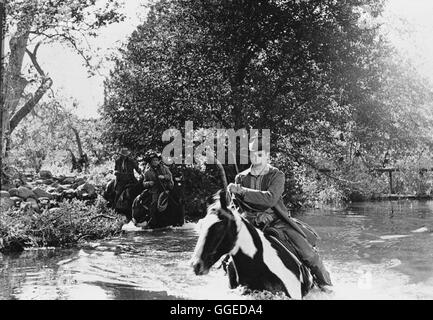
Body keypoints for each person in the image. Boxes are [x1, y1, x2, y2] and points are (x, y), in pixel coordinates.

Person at [227, 135, 332, 290]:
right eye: (252, 153)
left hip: (276, 222)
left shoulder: (277, 175)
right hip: (250, 224)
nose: (255, 157)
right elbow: (235, 206)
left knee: (308, 253)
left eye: (260, 154)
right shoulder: (240, 177)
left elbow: (270, 199)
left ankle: (325, 285)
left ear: (268, 155)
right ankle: (231, 291)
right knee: (230, 262)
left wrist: (241, 191)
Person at [141, 151, 174, 222]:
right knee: (154, 203)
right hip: (154, 190)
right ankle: (153, 219)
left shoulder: (165, 168)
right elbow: (144, 183)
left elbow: (170, 176)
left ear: (159, 161)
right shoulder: (147, 172)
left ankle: (178, 217)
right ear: (150, 162)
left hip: (166, 188)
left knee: (176, 200)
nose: (155, 162)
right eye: (153, 160)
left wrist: (164, 177)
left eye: (156, 160)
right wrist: (149, 183)